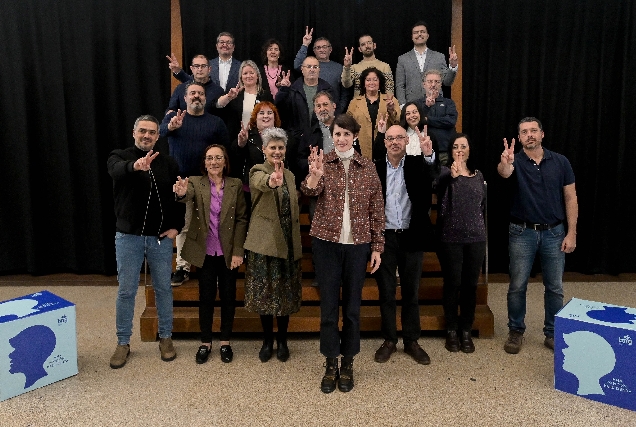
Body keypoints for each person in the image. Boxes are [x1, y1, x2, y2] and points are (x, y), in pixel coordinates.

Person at [301, 114, 385, 394]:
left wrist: (376, 247)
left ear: (355, 137)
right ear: (332, 135)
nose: (341, 138)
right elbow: (309, 192)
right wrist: (314, 175)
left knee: (351, 309)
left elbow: (377, 210)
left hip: (358, 246)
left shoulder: (367, 167)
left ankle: (348, 362)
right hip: (327, 244)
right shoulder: (323, 162)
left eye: (346, 134)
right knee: (328, 309)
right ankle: (330, 362)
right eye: (337, 134)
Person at [106, 115, 185, 369]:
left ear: (157, 136)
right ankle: (122, 343)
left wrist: (177, 226)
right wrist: (135, 167)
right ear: (134, 132)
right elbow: (116, 171)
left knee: (163, 288)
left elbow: (178, 196)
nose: (147, 135)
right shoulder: (119, 156)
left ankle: (166, 337)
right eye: (143, 131)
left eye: (152, 132)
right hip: (128, 237)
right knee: (126, 291)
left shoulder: (169, 163)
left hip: (160, 239)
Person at [497, 117, 578, 354]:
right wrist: (505, 162)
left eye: (534, 131)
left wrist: (571, 232)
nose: (529, 135)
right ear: (519, 137)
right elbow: (504, 173)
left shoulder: (561, 162)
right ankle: (516, 331)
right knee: (517, 285)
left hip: (555, 232)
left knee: (554, 287)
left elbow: (571, 198)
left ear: (542, 134)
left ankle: (552, 333)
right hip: (522, 232)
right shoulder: (514, 161)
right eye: (524, 132)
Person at [173, 144, 248, 364]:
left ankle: (225, 341)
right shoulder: (196, 182)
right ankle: (205, 341)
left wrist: (238, 251)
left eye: (218, 158)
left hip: (228, 253)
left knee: (228, 297)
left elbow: (242, 219)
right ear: (204, 163)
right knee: (205, 298)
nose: (213, 162)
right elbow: (187, 196)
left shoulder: (234, 185)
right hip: (204, 252)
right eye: (209, 158)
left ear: (225, 161)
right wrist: (182, 193)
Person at [372, 125, 435, 365]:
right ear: (385, 142)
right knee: (386, 292)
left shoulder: (417, 164)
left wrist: (429, 155)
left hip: (412, 235)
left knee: (411, 292)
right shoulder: (375, 167)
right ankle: (389, 340)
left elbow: (433, 176)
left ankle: (411, 340)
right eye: (391, 138)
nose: (395, 141)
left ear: (407, 142)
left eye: (400, 137)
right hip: (385, 237)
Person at [160, 81, 230, 286]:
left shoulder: (216, 122)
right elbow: (162, 133)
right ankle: (182, 267)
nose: (196, 96)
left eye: (200, 93)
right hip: (181, 181)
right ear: (185, 97)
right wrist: (171, 126)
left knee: (212, 223)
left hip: (208, 180)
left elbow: (225, 151)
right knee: (184, 224)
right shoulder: (174, 118)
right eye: (192, 93)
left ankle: (213, 265)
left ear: (205, 98)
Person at [243, 127, 302, 363]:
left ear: (285, 150)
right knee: (266, 295)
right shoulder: (257, 170)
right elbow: (261, 183)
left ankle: (283, 341)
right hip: (265, 243)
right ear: (264, 150)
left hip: (287, 242)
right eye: (272, 148)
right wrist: (271, 180)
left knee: (285, 295)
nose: (277, 151)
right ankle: (267, 341)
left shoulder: (290, 174)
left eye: (280, 147)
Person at [434, 133, 487, 354]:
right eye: (455, 146)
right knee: (452, 283)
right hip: (451, 238)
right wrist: (451, 177)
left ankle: (466, 329)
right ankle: (451, 330)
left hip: (476, 238)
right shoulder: (446, 172)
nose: (459, 150)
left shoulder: (478, 175)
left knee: (470, 286)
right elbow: (436, 187)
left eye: (463, 146)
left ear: (469, 149)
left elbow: (482, 206)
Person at [229, 101, 282, 213]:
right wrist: (241, 144)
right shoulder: (246, 136)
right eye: (261, 113)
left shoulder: (284, 138)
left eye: (269, 113)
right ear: (255, 117)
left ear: (275, 117)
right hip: (251, 189)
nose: (266, 116)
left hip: (277, 187)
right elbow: (235, 159)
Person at [395, 21, 458, 105]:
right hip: (412, 107)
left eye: (422, 32)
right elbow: (400, 85)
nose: (419, 34)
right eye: (416, 32)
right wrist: (403, 105)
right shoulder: (403, 59)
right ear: (412, 37)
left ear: (427, 36)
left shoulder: (439, 57)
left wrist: (453, 66)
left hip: (436, 104)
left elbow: (447, 82)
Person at [275, 56, 335, 141]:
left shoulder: (328, 89)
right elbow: (279, 108)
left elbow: (336, 113)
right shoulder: (293, 90)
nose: (312, 69)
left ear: (319, 70)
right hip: (297, 140)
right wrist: (284, 89)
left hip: (321, 138)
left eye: (315, 67)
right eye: (309, 67)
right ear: (302, 69)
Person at [346, 67, 400, 160]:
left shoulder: (390, 100)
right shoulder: (354, 102)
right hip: (361, 149)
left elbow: (398, 123)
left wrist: (391, 110)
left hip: (385, 147)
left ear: (380, 82)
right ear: (363, 83)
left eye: (375, 80)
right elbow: (347, 126)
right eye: (368, 80)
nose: (372, 83)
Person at [292, 29, 349, 114]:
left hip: (330, 113)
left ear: (330, 49)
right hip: (309, 111)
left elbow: (345, 91)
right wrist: (305, 44)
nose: (321, 50)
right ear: (314, 51)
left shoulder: (339, 68)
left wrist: (339, 109)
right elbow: (297, 65)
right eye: (318, 48)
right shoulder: (309, 65)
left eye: (324, 47)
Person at [214, 60, 274, 140]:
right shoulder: (234, 94)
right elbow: (217, 105)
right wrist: (228, 97)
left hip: (259, 140)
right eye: (245, 73)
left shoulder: (265, 95)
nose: (248, 76)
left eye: (251, 73)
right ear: (241, 77)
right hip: (237, 139)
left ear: (257, 76)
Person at [168, 32, 241, 92]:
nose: (225, 45)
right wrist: (178, 71)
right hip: (210, 106)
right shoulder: (206, 65)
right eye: (222, 42)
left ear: (233, 47)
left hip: (233, 107)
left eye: (228, 42)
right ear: (217, 46)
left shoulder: (241, 67)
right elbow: (192, 81)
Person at [414, 69, 457, 164]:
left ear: (441, 84)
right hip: (424, 152)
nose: (433, 85)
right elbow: (417, 123)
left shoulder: (448, 103)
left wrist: (428, 119)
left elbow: (451, 121)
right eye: (430, 81)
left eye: (436, 82)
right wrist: (426, 107)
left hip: (445, 152)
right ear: (424, 84)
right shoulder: (417, 104)